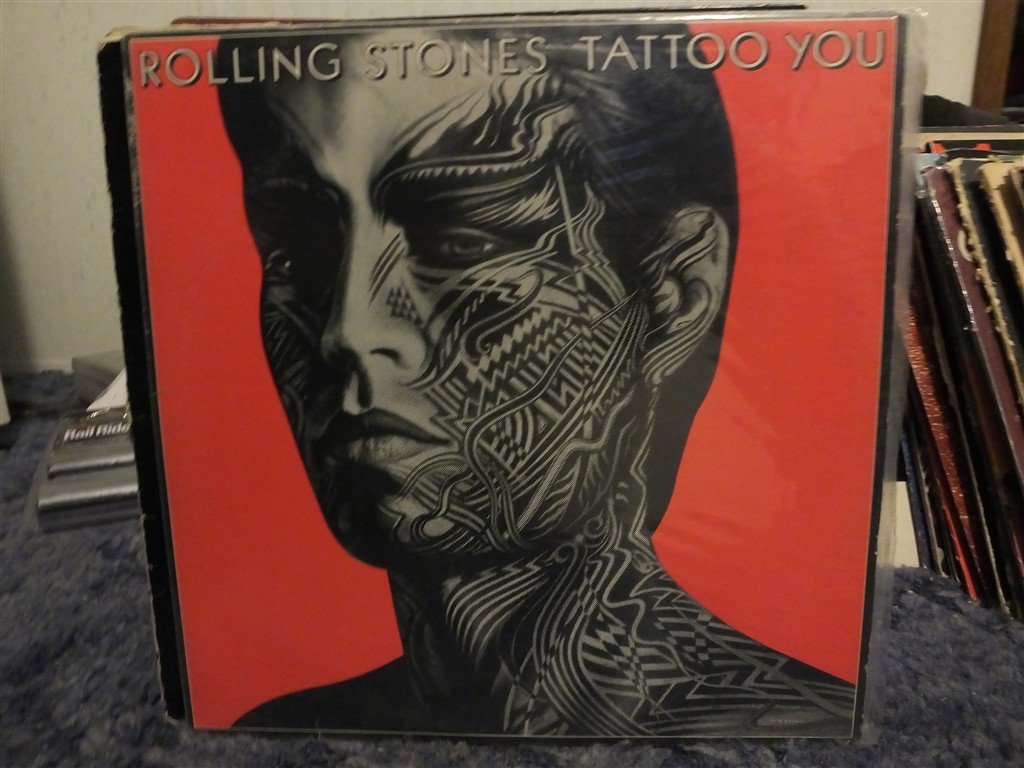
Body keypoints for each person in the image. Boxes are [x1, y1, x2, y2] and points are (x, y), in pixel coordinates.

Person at [219, 24, 856, 736]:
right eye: (296, 252)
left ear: (674, 295)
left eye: (463, 241)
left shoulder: (804, 737)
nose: (347, 329)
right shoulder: (287, 736)